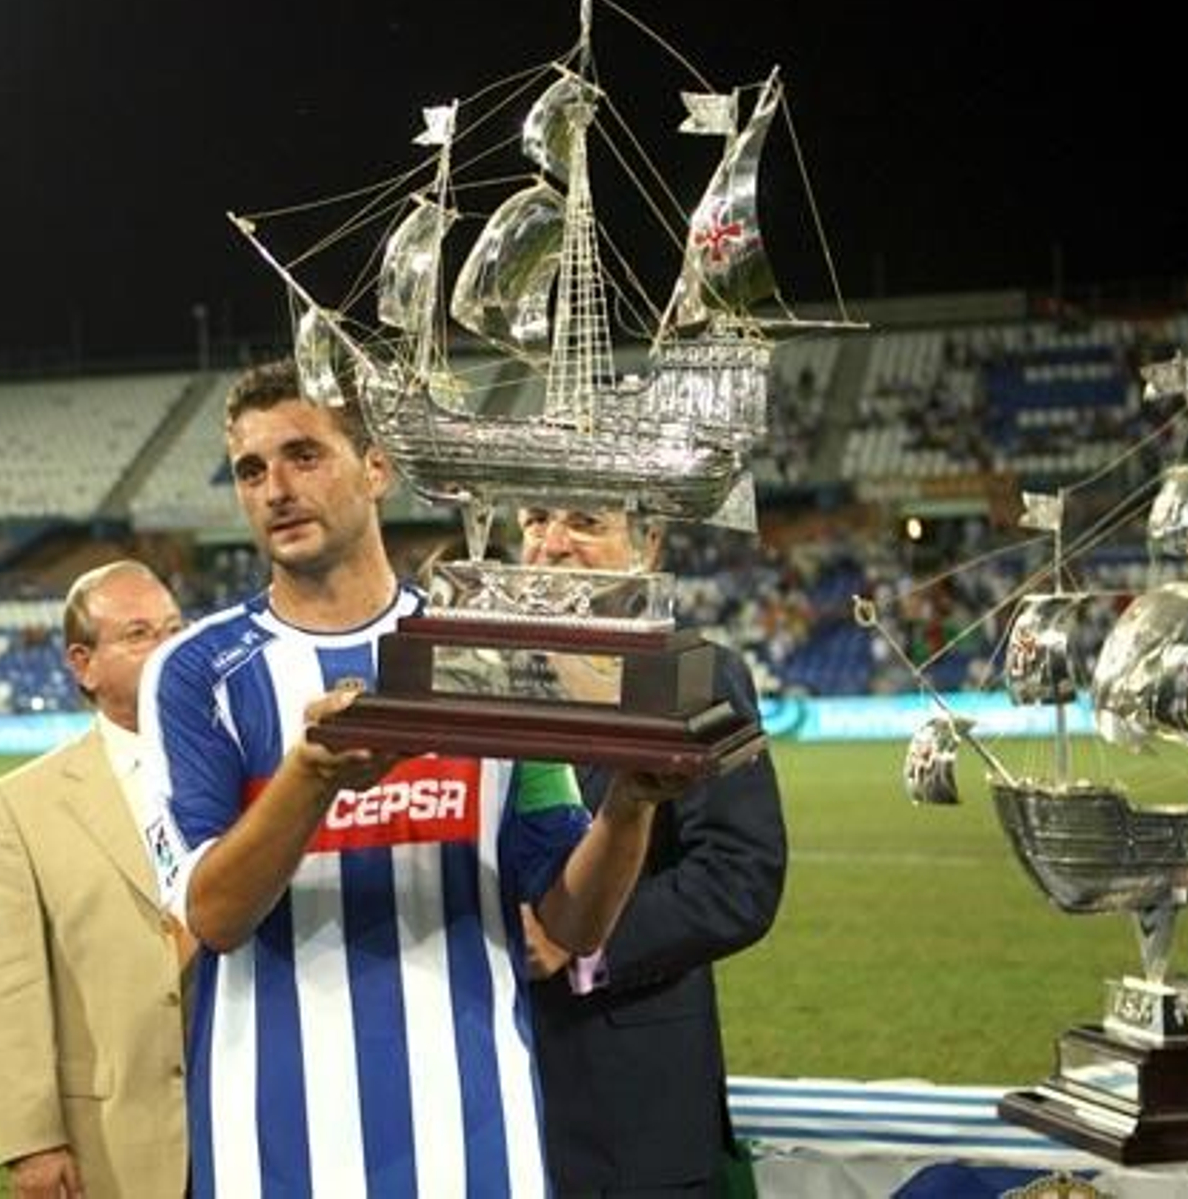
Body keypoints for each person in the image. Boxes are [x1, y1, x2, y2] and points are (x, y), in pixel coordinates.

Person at [138, 361, 688, 1197]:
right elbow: (213, 913)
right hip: (275, 1143)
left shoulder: (492, 651)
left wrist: (632, 805)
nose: (276, 488)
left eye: (303, 455)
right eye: (252, 470)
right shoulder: (194, 672)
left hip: (474, 1133)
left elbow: (573, 919)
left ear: (377, 468)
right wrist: (312, 774)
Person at [517, 506, 788, 1197]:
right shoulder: (474, 674)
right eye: (534, 519)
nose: (551, 546)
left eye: (583, 522)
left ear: (648, 545)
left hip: (632, 1116)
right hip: (490, 1102)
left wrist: (581, 944)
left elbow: (738, 877)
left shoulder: (693, 674)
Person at [0, 560, 194, 1199]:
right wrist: (32, 1140)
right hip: (113, 1134)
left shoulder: (253, 771)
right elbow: (12, 985)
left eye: (175, 629)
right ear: (82, 664)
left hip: (254, 1120)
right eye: (138, 634)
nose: (168, 648)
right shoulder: (23, 802)